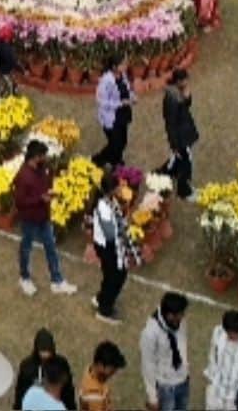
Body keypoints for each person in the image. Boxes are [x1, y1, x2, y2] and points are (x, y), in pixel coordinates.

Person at [13, 140, 77, 297]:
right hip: (30, 219)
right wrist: (40, 199)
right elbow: (20, 201)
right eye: (43, 155)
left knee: (51, 248)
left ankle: (57, 281)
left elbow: (45, 185)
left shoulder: (42, 169)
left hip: (43, 217)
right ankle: (24, 278)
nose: (45, 158)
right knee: (26, 249)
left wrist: (50, 191)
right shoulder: (23, 176)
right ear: (35, 156)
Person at [90, 169, 130, 323]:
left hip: (108, 245)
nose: (120, 188)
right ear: (111, 189)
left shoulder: (109, 200)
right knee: (116, 276)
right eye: (118, 186)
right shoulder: (103, 208)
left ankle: (101, 299)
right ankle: (104, 310)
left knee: (111, 275)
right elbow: (110, 234)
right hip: (107, 246)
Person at [139, 292, 191, 411]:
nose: (182, 318)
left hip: (183, 380)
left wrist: (185, 368)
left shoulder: (180, 322)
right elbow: (147, 365)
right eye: (179, 315)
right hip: (165, 387)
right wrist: (153, 397)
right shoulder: (150, 333)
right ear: (169, 315)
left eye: (182, 314)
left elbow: (182, 346)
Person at [13, 329, 77, 411]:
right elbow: (20, 391)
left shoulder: (61, 364)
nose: (45, 355)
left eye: (48, 352)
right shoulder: (27, 366)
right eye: (42, 351)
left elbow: (68, 391)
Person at [161, 68, 199, 199]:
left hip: (184, 132)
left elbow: (186, 105)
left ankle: (164, 173)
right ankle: (184, 191)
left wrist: (187, 96)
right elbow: (170, 124)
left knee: (178, 159)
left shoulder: (179, 91)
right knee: (186, 162)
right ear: (178, 81)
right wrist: (174, 145)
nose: (187, 82)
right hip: (180, 137)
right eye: (184, 80)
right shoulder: (172, 98)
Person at [93, 55, 135, 167]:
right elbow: (101, 101)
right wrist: (120, 103)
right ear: (114, 67)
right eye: (123, 64)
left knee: (123, 141)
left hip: (123, 114)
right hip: (111, 117)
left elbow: (127, 90)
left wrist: (132, 97)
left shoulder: (123, 75)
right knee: (115, 144)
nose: (126, 66)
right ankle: (107, 161)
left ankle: (110, 159)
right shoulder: (106, 81)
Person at [80, 341, 129, 411]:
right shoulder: (94, 394)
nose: (114, 372)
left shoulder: (91, 372)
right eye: (112, 369)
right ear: (100, 365)